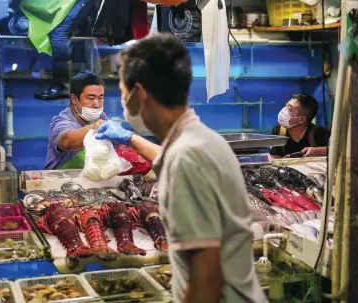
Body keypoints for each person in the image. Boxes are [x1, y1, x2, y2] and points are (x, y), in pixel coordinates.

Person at [96, 33, 266, 303]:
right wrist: (130, 138)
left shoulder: (187, 157)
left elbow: (207, 276)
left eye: (124, 93)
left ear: (140, 94)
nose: (124, 103)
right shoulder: (201, 140)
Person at [45, 71, 108, 170]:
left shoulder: (101, 117)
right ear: (74, 99)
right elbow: (66, 141)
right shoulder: (62, 121)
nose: (96, 104)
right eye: (91, 98)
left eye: (100, 98)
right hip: (60, 180)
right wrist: (94, 129)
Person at [270, 94, 330, 158]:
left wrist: (317, 151)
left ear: (301, 119)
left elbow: (337, 150)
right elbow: (275, 156)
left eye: (289, 109)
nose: (284, 111)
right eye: (286, 105)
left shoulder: (319, 133)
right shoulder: (278, 131)